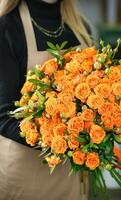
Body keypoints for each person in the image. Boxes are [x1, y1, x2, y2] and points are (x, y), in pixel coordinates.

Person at [0, 0, 92, 199]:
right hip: (24, 178)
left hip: (70, 177)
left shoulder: (81, 28)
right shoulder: (7, 28)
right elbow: (3, 115)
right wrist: (64, 140)